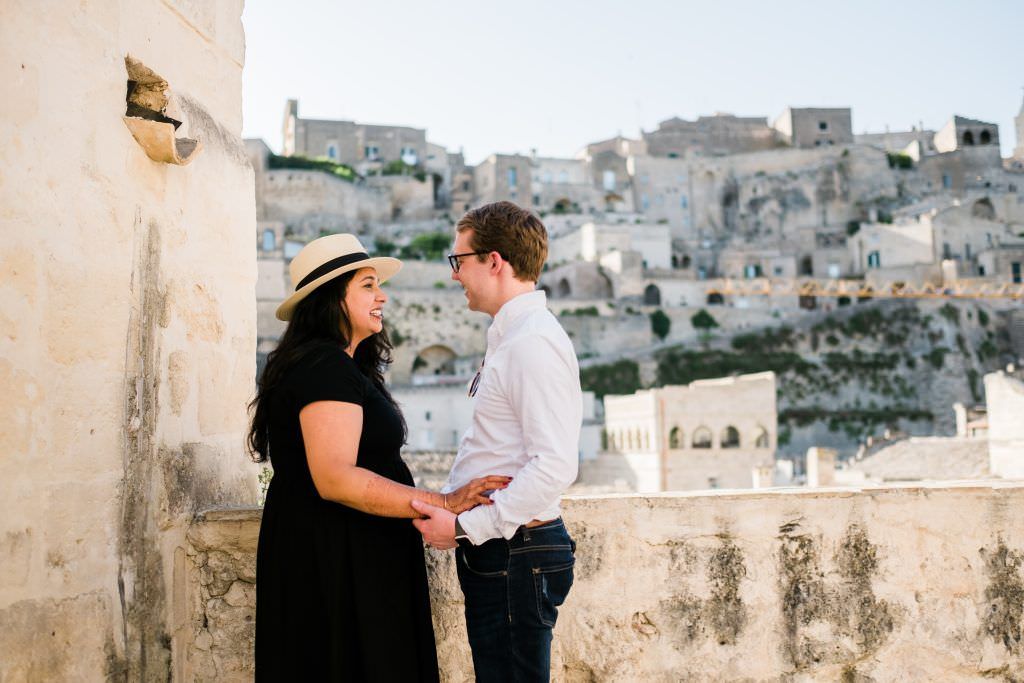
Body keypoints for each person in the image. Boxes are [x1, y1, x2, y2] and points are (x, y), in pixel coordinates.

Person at [248, 233, 511, 681]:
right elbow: (334, 478)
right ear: (332, 298)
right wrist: (442, 503)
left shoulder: (335, 367)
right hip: (339, 565)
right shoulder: (323, 368)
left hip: (350, 556)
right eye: (367, 285)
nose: (381, 296)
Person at [412, 202, 583, 682]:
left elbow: (553, 465)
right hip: (509, 551)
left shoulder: (531, 342)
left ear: (494, 261)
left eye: (458, 261)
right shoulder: (514, 337)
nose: (454, 275)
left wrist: (468, 528)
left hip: (514, 551)